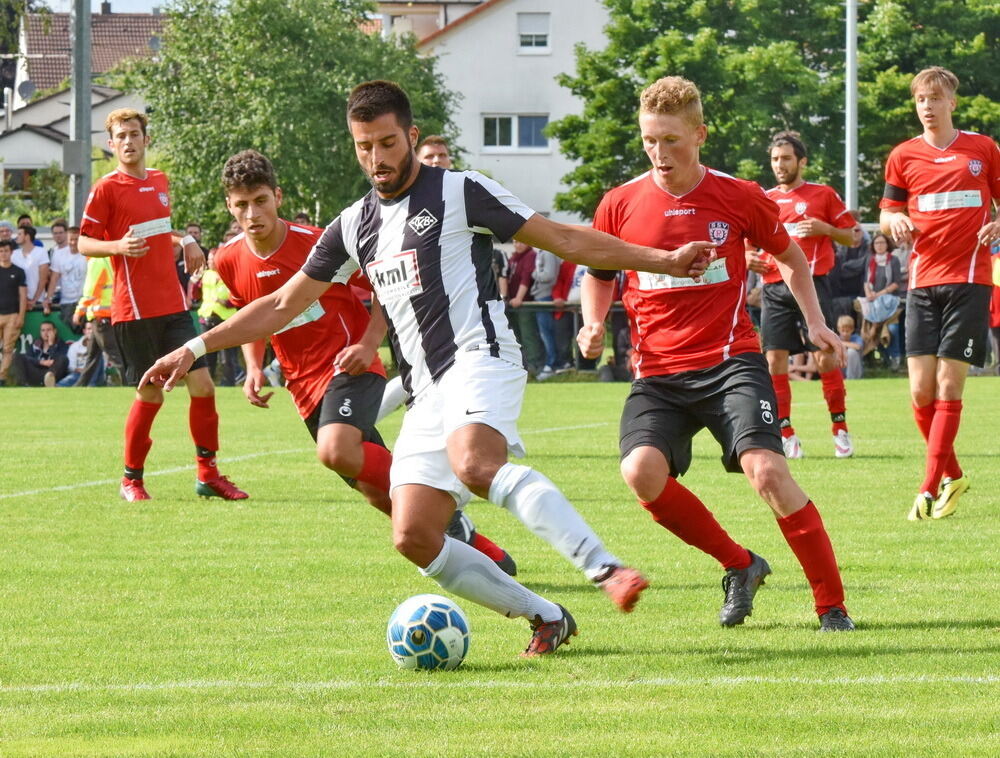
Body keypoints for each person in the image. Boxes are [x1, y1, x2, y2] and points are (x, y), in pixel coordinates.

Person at [141, 80, 717, 656]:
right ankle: (546, 616)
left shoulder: (460, 192)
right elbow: (280, 305)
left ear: (411, 137)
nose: (377, 158)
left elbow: (565, 238)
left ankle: (605, 567)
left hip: (480, 355)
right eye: (364, 146)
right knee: (413, 535)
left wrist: (662, 259)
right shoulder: (354, 225)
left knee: (474, 462)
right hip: (424, 388)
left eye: (388, 143)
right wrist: (192, 350)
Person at [578, 76, 853, 632]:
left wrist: (817, 323)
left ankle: (831, 606)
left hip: (730, 362)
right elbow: (599, 272)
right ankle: (740, 564)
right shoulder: (619, 203)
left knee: (768, 472)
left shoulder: (738, 196)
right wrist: (591, 322)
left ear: (699, 135)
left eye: (671, 140)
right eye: (650, 140)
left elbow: (794, 260)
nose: (659, 153)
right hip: (657, 374)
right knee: (640, 473)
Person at [213, 148, 515, 573]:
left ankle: (434, 492)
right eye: (241, 205)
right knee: (378, 494)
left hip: (350, 365)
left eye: (260, 200)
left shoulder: (321, 242)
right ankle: (475, 544)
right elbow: (254, 314)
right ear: (229, 205)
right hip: (303, 387)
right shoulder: (227, 259)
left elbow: (384, 284)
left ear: (277, 197)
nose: (252, 213)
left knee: (335, 450)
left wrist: (370, 344)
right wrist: (254, 366)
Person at [78, 107, 248, 502]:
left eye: (134, 134)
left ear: (145, 139)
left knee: (203, 384)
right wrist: (117, 246)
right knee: (150, 394)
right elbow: (85, 242)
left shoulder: (159, 181)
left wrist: (185, 240)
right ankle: (131, 480)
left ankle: (208, 474)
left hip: (173, 306)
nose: (128, 141)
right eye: (120, 136)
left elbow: (157, 230)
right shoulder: (106, 188)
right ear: (111, 144)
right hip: (133, 311)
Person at [880, 66, 1000, 521]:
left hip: (970, 280)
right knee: (919, 393)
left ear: (952, 101)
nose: (927, 107)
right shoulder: (903, 156)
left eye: (934, 98)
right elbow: (888, 212)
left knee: (948, 386)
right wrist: (895, 223)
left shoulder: (983, 149)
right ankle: (955, 475)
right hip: (922, 282)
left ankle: (928, 488)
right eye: (920, 100)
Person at [747, 132, 858, 459]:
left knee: (824, 355)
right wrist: (746, 257)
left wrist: (826, 230)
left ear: (801, 161)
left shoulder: (822, 195)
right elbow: (746, 241)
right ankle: (786, 434)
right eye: (775, 159)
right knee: (774, 359)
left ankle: (840, 430)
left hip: (814, 284)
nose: (779, 165)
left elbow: (852, 236)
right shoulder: (763, 198)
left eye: (786, 159)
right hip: (773, 286)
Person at [73, 254, 124, 387]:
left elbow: (91, 290)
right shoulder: (108, 258)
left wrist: (79, 311)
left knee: (115, 356)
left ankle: (132, 385)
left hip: (101, 315)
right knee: (92, 356)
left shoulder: (96, 260)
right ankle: (80, 386)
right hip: (109, 314)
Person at [196, 249, 242, 386]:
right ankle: (207, 383)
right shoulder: (205, 275)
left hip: (226, 319)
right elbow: (196, 294)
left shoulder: (232, 274)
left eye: (213, 259)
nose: (210, 262)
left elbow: (240, 295)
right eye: (209, 259)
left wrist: (226, 303)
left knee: (227, 357)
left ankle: (229, 383)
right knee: (207, 355)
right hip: (207, 317)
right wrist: (193, 282)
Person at [46, 222, 88, 330]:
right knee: (72, 328)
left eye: (76, 239)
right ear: (67, 239)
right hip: (67, 301)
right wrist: (49, 298)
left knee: (86, 329)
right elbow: (54, 278)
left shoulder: (87, 254)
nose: (73, 242)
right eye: (71, 239)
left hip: (83, 300)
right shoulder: (59, 254)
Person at [0, 238, 27, 385]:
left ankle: (2, 378)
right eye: (1, 251)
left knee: (8, 349)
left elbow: (23, 296)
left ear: (11, 253)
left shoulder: (18, 272)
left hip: (12, 315)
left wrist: (20, 316)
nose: (3, 254)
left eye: (6, 251)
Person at [12, 319, 68, 386]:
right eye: (43, 330)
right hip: (36, 371)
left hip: (51, 373)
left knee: (63, 359)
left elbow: (58, 361)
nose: (46, 333)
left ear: (54, 331)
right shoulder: (36, 343)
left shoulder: (61, 344)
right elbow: (28, 358)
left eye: (48, 330)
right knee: (17, 356)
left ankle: (49, 383)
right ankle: (23, 385)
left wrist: (51, 345)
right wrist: (41, 362)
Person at [12, 224, 49, 311]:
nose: (16, 237)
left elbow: (43, 279)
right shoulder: (14, 254)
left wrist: (34, 300)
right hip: (18, 301)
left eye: (20, 234)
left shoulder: (41, 252)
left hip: (37, 302)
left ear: (27, 236)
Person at [837, 314, 864, 380]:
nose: (845, 333)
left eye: (847, 331)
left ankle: (850, 379)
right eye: (843, 331)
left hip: (855, 371)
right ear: (838, 329)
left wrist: (842, 343)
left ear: (852, 330)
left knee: (851, 352)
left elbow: (858, 346)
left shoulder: (856, 338)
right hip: (841, 369)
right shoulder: (836, 338)